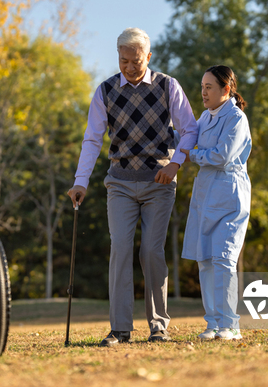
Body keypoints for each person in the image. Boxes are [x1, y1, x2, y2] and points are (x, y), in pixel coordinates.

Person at [67, 28, 198, 346]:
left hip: (159, 182)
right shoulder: (106, 91)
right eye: (123, 61)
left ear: (148, 58)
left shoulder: (168, 86)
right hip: (120, 184)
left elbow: (190, 129)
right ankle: (120, 328)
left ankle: (158, 326)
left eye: (135, 61)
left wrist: (176, 163)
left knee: (151, 252)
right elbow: (93, 138)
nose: (128, 67)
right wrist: (80, 181)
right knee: (121, 249)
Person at [180, 64, 252, 341]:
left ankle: (230, 325)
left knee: (224, 258)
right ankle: (212, 324)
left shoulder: (236, 118)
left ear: (226, 89)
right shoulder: (205, 116)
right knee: (205, 260)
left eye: (209, 87)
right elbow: (189, 140)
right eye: (202, 87)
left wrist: (193, 154)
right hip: (205, 193)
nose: (203, 92)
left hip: (229, 193)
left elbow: (221, 156)